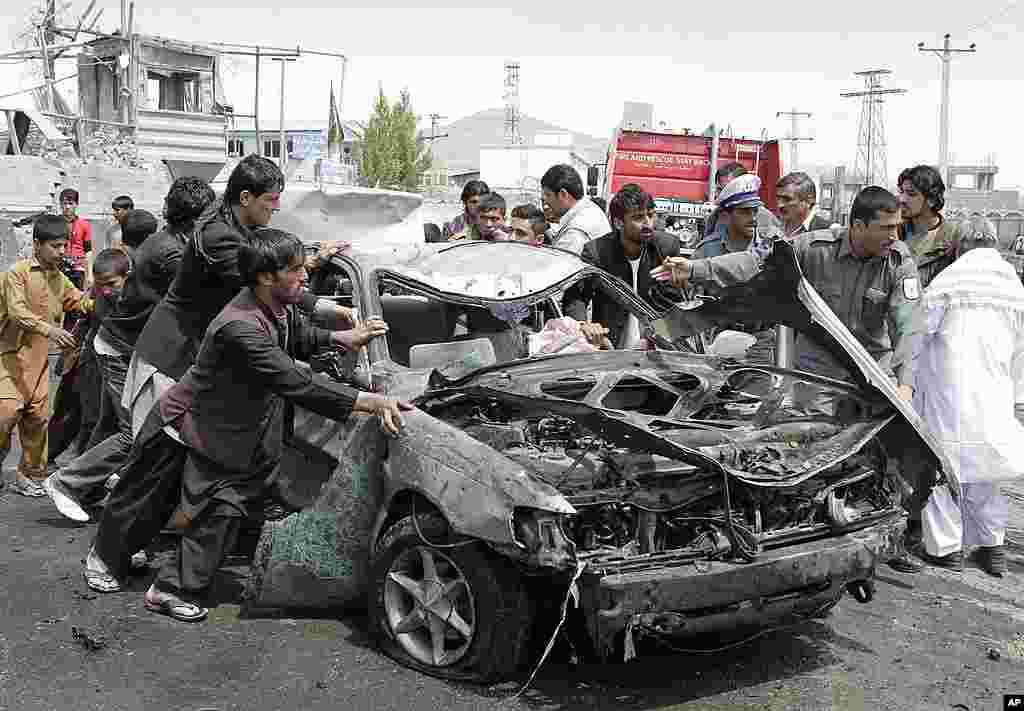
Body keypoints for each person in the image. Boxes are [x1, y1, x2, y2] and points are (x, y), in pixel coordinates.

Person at [82, 229, 407, 621]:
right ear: (266, 276)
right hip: (184, 425)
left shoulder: (273, 307)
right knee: (144, 501)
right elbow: (292, 379)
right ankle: (106, 560)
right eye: (296, 269)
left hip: (227, 433)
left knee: (222, 506)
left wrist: (343, 337)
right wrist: (371, 402)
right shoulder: (240, 325)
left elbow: (296, 335)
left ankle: (171, 586)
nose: (305, 276)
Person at [652, 186, 923, 571]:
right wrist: (696, 269)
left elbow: (910, 327)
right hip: (818, 377)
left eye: (898, 227)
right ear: (858, 225)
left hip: (871, 376)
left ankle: (885, 534)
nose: (895, 235)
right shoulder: (812, 249)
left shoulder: (897, 262)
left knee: (876, 461)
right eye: (887, 228)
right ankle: (801, 538)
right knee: (805, 453)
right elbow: (753, 263)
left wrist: (904, 381)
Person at [123, 156, 354, 439]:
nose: (277, 206)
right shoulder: (220, 236)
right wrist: (326, 309)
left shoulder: (231, 223)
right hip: (172, 351)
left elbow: (272, 260)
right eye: (271, 199)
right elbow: (268, 280)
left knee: (160, 445)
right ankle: (64, 484)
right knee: (148, 441)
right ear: (245, 197)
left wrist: (313, 259)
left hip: (186, 350)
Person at [915, 217, 1023, 576]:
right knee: (985, 468)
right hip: (995, 389)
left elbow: (919, 333)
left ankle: (947, 548)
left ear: (958, 246)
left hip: (949, 390)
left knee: (943, 467)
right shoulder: (1014, 287)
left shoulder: (950, 280)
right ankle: (992, 547)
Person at [0, 215, 94, 496]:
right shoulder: (16, 274)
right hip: (9, 357)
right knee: (5, 414)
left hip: (40, 360)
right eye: (55, 246)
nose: (62, 251)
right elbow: (17, 313)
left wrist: (105, 293)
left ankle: (28, 475)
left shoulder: (59, 279)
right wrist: (51, 331)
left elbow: (79, 301)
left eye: (64, 245)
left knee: (38, 419)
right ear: (37, 244)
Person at [563, 184, 683, 349]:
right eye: (638, 218)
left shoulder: (666, 247)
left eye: (650, 215)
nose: (647, 223)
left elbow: (671, 302)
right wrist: (584, 325)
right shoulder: (597, 252)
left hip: (655, 349)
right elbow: (575, 296)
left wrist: (655, 339)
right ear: (619, 223)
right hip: (610, 349)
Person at [689, 174, 780, 362]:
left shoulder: (771, 249)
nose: (753, 217)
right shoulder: (707, 251)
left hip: (761, 346)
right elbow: (690, 303)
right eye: (745, 212)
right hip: (720, 344)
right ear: (727, 214)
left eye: (755, 211)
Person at [897, 165, 959, 289]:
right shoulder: (895, 232)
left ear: (931, 200)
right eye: (901, 192)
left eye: (911, 194)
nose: (902, 199)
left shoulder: (953, 237)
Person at [540, 164, 611, 255]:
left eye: (548, 195)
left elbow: (559, 266)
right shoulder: (588, 209)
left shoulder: (575, 233)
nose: (545, 202)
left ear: (563, 194)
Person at [702, 162, 780, 241]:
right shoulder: (715, 216)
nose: (722, 195)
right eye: (719, 189)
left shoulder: (766, 219)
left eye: (728, 189)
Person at [776, 172, 831, 237]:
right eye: (778, 198)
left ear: (809, 201)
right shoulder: (773, 227)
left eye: (787, 199)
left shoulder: (827, 232)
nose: (779, 205)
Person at [59, 188, 93, 290]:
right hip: (59, 267)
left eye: (70, 203)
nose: (67, 207)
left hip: (78, 268)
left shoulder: (84, 224)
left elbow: (88, 251)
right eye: (64, 203)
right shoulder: (55, 223)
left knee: (76, 300)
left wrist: (90, 274)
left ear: (76, 204)